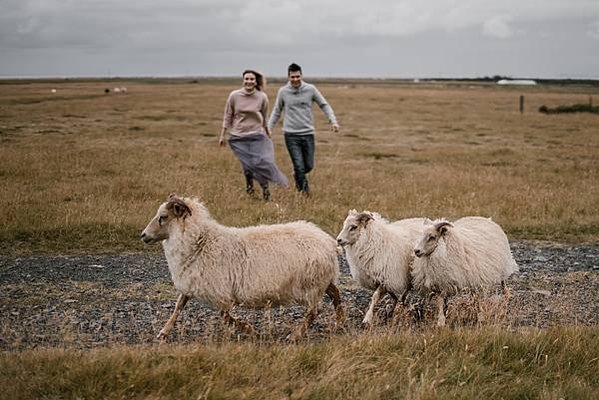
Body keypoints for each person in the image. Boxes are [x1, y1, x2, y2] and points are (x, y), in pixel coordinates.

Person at [268, 63, 339, 196]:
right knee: (299, 166)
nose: (295, 79)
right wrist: (269, 128)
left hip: (308, 133)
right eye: (292, 77)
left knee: (309, 165)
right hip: (290, 135)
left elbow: (324, 105)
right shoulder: (283, 91)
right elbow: (276, 111)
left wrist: (333, 121)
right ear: (288, 77)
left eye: (297, 76)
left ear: (301, 75)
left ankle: (298, 174)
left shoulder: (310, 89)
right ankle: (304, 194)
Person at [220, 70, 288, 201]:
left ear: (256, 81)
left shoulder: (262, 97)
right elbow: (227, 115)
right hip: (239, 137)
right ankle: (249, 188)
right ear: (243, 80)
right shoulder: (234, 95)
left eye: (252, 79)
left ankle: (266, 190)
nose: (249, 82)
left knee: (260, 163)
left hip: (257, 135)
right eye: (246, 79)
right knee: (247, 167)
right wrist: (222, 135)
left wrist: (268, 132)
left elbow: (264, 116)